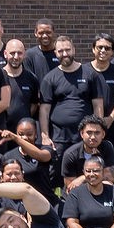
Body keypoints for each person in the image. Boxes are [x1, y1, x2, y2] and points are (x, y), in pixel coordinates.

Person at [39, 36, 103, 164]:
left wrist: (97, 132)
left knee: (87, 169)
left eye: (67, 50)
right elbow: (44, 110)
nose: (64, 54)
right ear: (55, 53)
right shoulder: (49, 78)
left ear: (74, 49)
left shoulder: (90, 74)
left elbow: (98, 106)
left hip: (85, 137)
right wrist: (45, 136)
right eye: (60, 51)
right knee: (58, 171)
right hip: (59, 138)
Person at [85, 34, 114, 169]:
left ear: (112, 52)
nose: (103, 51)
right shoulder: (84, 71)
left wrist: (110, 118)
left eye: (107, 48)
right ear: (93, 49)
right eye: (100, 47)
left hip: (113, 125)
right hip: (89, 128)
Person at [0, 118, 56, 199]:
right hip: (19, 201)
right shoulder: (8, 156)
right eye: (21, 134)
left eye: (29, 134)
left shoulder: (45, 149)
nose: (25, 137)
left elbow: (43, 157)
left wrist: (16, 138)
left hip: (45, 199)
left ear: (36, 134)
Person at [59, 116, 113, 192]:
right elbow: (71, 186)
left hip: (99, 190)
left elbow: (110, 178)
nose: (93, 137)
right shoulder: (70, 154)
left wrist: (84, 177)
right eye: (89, 133)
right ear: (82, 134)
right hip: (78, 193)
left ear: (103, 134)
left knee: (108, 184)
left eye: (97, 133)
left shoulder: (107, 147)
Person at [0, 38, 41, 132]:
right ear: (5, 54)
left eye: (19, 53)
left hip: (23, 133)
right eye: (12, 53)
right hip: (1, 130)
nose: (16, 57)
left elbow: (34, 104)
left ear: (24, 54)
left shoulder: (31, 78)